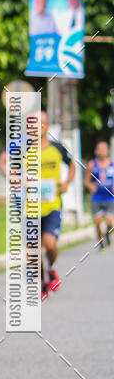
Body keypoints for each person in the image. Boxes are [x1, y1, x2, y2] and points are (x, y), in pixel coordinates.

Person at [39, 111, 76, 298]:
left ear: (47, 126)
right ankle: (41, 284)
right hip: (30, 206)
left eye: (42, 123)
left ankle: (51, 268)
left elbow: (73, 165)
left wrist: (66, 183)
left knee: (50, 244)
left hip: (52, 204)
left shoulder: (57, 148)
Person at [84, 141, 114, 248]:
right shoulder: (92, 164)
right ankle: (101, 242)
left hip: (110, 197)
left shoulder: (112, 164)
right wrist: (91, 186)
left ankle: (107, 235)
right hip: (97, 197)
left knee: (110, 223)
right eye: (100, 150)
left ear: (107, 151)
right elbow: (86, 180)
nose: (102, 152)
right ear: (96, 151)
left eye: (104, 149)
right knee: (97, 222)